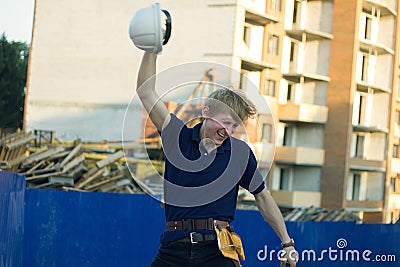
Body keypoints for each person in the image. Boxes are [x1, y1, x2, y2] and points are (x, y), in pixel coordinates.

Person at [136, 51, 297, 267]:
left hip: (218, 252)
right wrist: (151, 49)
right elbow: (145, 91)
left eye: (234, 126)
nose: (229, 131)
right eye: (225, 122)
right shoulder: (177, 136)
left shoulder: (240, 153)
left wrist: (287, 244)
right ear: (206, 112)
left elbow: (263, 197)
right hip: (173, 249)